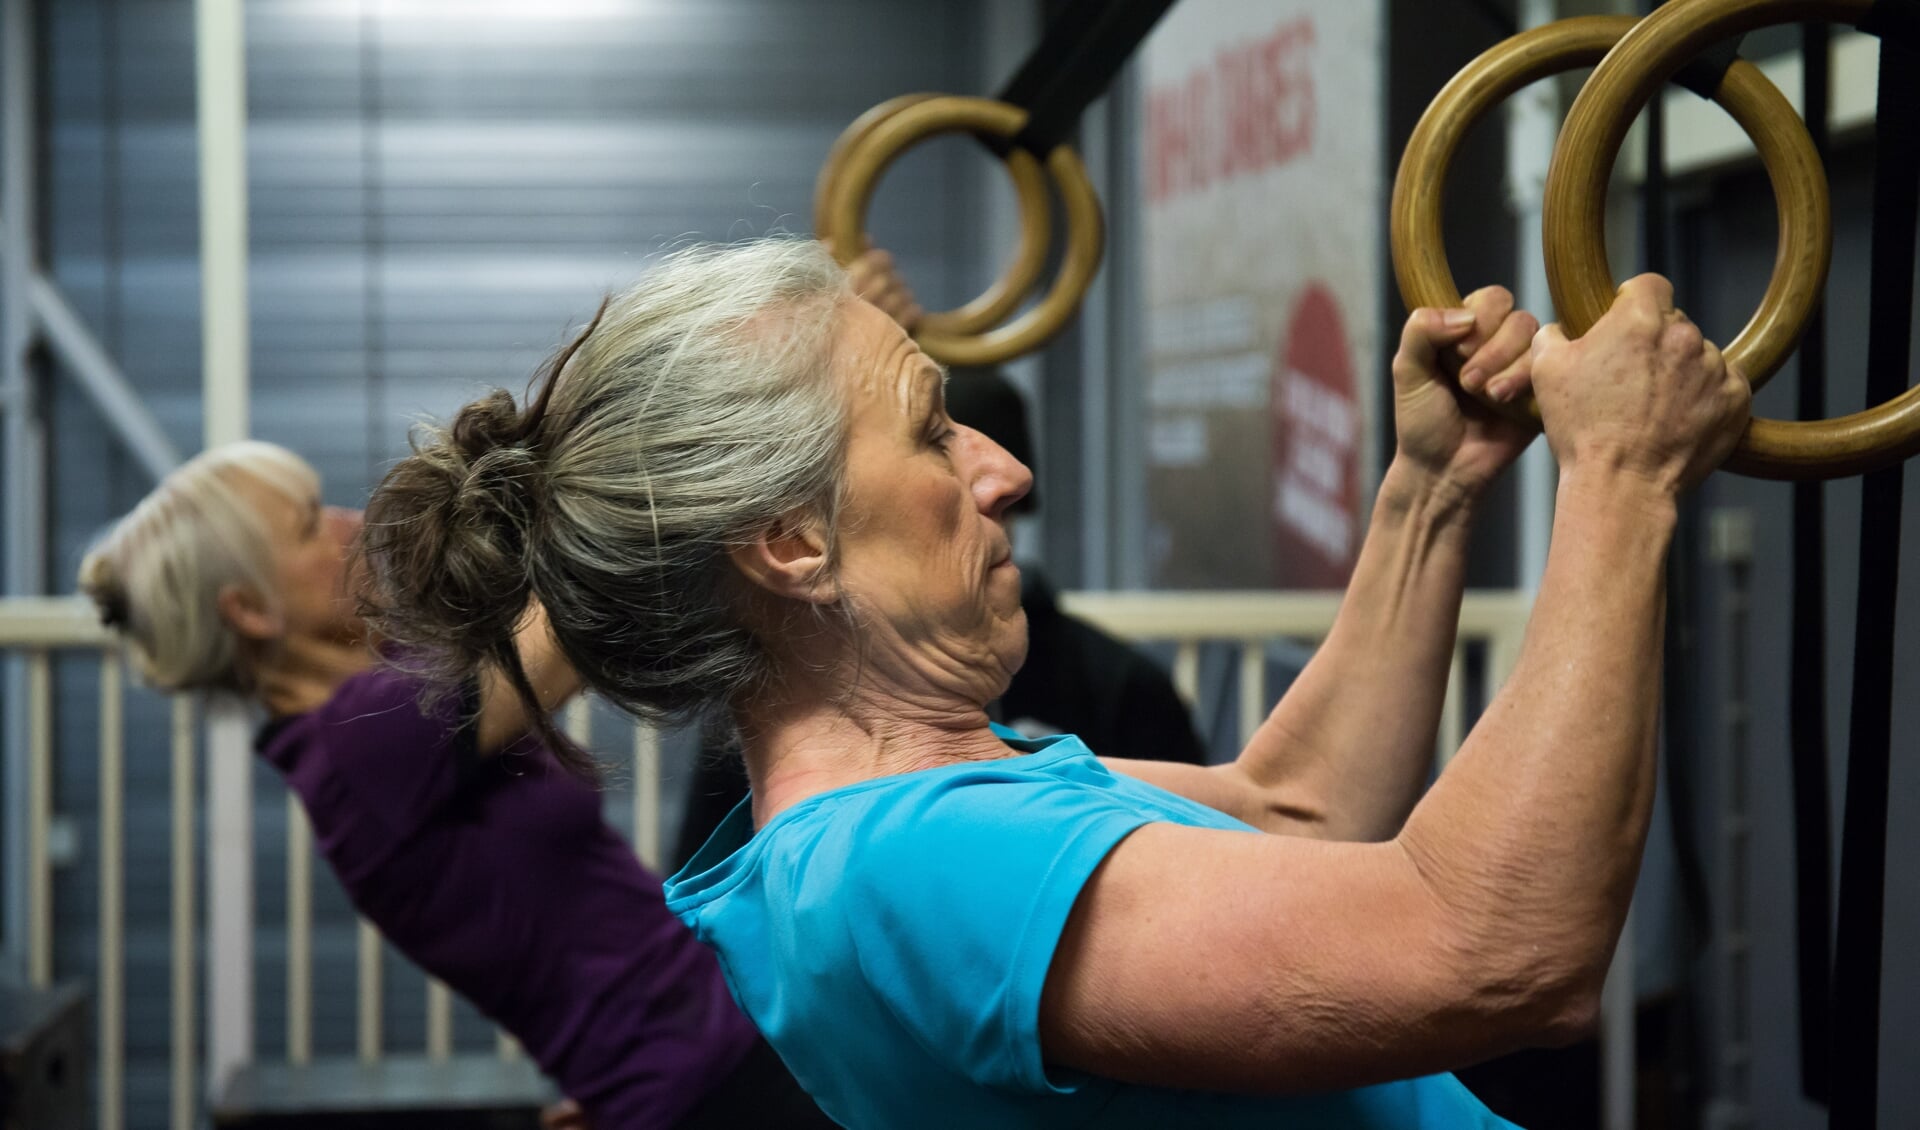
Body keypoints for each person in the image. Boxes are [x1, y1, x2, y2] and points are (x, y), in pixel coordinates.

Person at [361, 238, 1748, 1129]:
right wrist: (1619, 480)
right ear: (791, 545)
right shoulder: (915, 865)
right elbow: (1501, 949)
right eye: (929, 426)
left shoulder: (907, 813)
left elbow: (1298, 809)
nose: (1003, 470)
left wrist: (1431, 488)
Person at [73, 245, 917, 1129]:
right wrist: (798, 365)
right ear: (248, 610)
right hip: (696, 1083)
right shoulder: (360, 741)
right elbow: (584, 598)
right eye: (304, 524)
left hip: (677, 1062)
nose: (350, 524)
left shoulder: (372, 723)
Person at [670, 365, 1205, 870]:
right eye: (931, 443)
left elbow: (1212, 842)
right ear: (795, 539)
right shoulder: (783, 702)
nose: (1005, 479)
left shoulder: (1119, 688)